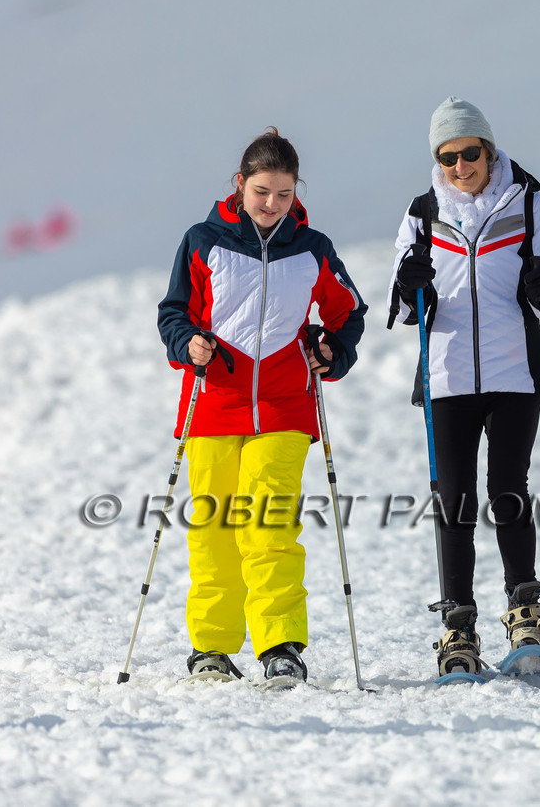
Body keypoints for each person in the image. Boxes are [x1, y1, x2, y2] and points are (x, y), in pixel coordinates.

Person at [157, 128, 366, 686]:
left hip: (283, 406)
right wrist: (188, 344)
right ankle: (213, 649)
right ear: (240, 185)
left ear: (297, 192)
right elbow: (174, 312)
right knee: (214, 530)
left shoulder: (312, 247)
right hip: (213, 405)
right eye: (261, 191)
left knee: (268, 524)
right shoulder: (203, 240)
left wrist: (333, 350)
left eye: (283, 194)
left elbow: (349, 311)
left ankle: (279, 646)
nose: (272, 204)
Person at [388, 98, 540, 679]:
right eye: (447, 157)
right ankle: (458, 624)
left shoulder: (527, 202)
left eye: (470, 153)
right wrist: (408, 283)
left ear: (488, 150)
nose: (460, 165)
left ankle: (525, 610)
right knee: (454, 499)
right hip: (448, 377)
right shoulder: (423, 214)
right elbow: (402, 303)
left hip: (515, 371)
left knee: (507, 488)